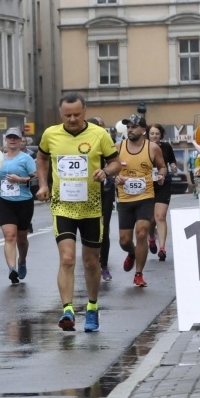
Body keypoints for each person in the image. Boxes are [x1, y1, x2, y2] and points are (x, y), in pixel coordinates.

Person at [35, 92, 120, 333]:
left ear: (84, 111)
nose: (72, 119)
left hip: (92, 205)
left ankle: (92, 308)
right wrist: (43, 184)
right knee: (68, 258)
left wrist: (105, 171)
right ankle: (68, 310)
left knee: (92, 261)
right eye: (67, 115)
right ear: (61, 114)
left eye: (77, 114)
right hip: (63, 205)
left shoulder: (99, 134)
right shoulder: (51, 134)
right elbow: (41, 158)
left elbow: (115, 162)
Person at [115, 114, 167, 287]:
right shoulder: (118, 147)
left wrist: (161, 174)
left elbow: (162, 166)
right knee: (124, 240)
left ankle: (139, 274)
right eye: (128, 127)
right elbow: (109, 168)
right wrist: (115, 177)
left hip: (145, 197)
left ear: (143, 130)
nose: (130, 130)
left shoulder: (152, 148)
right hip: (124, 199)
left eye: (134, 127)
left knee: (142, 232)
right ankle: (131, 253)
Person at [0, 127, 36, 285]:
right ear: (6, 140)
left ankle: (22, 260)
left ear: (20, 140)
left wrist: (20, 179)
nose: (12, 140)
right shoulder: (0, 158)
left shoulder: (26, 159)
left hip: (24, 202)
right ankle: (12, 269)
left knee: (22, 238)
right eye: (9, 137)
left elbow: (34, 178)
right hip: (5, 201)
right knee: (9, 236)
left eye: (15, 138)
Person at [87, 117, 116, 282]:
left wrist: (108, 171)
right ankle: (90, 261)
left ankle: (103, 266)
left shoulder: (107, 141)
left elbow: (116, 163)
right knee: (88, 229)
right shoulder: (80, 143)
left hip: (105, 188)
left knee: (103, 229)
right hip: (84, 191)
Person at [147, 123, 177, 262]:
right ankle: (152, 238)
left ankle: (162, 248)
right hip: (147, 184)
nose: (154, 136)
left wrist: (173, 165)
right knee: (151, 219)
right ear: (148, 134)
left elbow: (172, 160)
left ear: (161, 135)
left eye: (157, 134)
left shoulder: (166, 147)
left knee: (160, 216)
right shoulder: (144, 147)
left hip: (163, 183)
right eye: (152, 133)